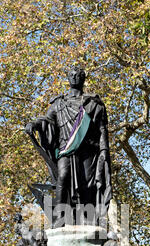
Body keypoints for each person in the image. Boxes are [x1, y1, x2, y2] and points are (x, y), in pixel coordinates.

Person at [26, 66, 112, 227]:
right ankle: (60, 216)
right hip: (66, 148)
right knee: (63, 176)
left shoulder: (93, 104)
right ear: (68, 78)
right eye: (72, 75)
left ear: (83, 79)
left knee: (87, 183)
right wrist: (34, 124)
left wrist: (104, 150)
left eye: (78, 75)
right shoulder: (59, 103)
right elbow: (47, 120)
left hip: (88, 151)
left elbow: (102, 130)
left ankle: (87, 217)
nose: (75, 78)